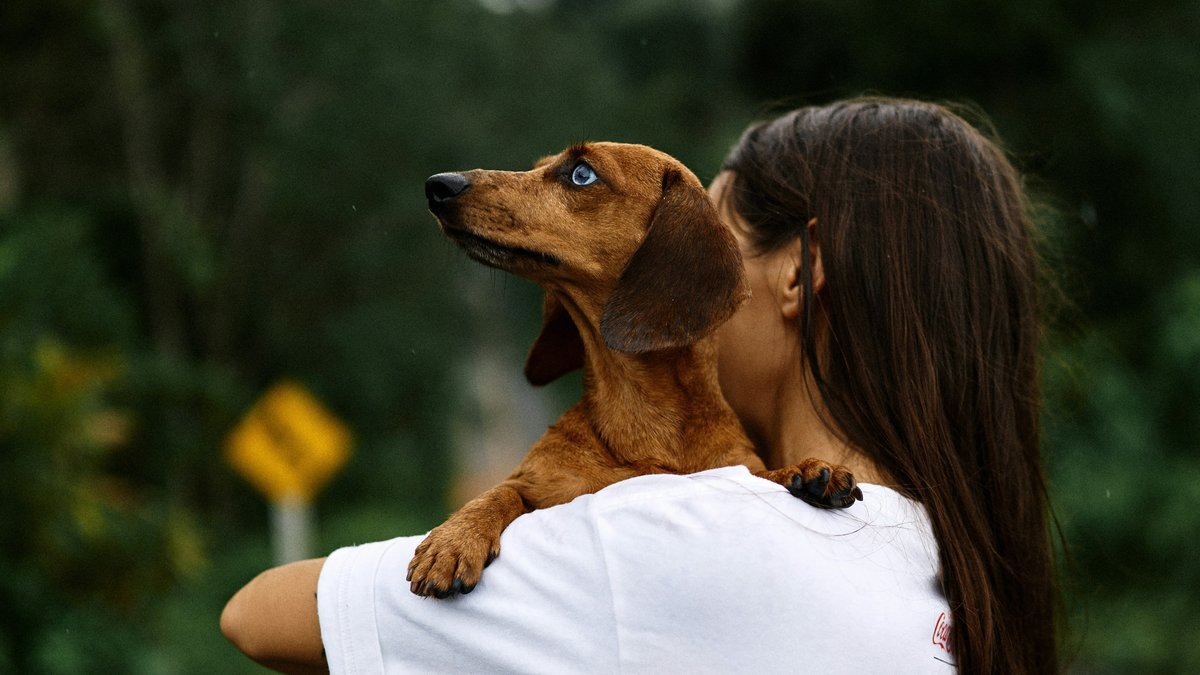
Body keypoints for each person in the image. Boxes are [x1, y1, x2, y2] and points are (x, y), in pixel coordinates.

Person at [221, 97, 1059, 674]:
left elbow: (260, 616)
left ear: (800, 274)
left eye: (717, 243)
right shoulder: (942, 569)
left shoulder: (674, 538)